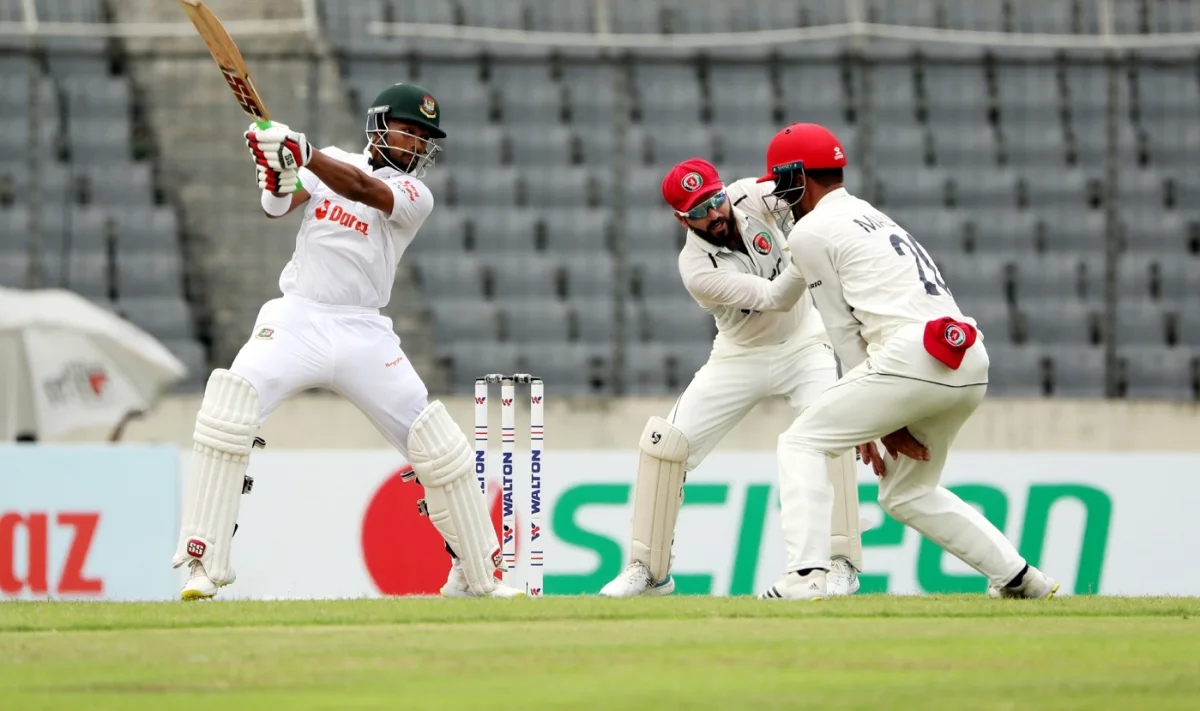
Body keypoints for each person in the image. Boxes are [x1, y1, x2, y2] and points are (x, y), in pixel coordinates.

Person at [171, 83, 522, 600]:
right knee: (229, 406)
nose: (419, 144)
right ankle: (203, 563)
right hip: (297, 318)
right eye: (411, 131)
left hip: (364, 332)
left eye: (427, 137)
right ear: (380, 125)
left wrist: (302, 153)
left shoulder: (413, 194)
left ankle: (479, 575)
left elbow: (363, 190)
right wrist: (277, 166)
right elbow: (276, 205)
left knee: (438, 445)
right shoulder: (332, 160)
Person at [758, 122, 1058, 600]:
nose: (778, 193)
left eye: (781, 180)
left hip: (910, 357)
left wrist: (881, 420)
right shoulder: (868, 214)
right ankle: (1021, 579)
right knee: (906, 494)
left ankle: (808, 575)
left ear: (799, 175)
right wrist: (885, 415)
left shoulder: (811, 230)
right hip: (966, 356)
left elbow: (843, 332)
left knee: (801, 443)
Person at [599, 158, 863, 598]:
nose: (716, 214)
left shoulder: (750, 195)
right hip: (741, 355)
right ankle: (649, 571)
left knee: (831, 437)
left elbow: (805, 191)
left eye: (715, 199)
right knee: (667, 446)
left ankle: (841, 564)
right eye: (699, 210)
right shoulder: (696, 269)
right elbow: (777, 297)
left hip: (804, 344)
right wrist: (808, 253)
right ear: (680, 217)